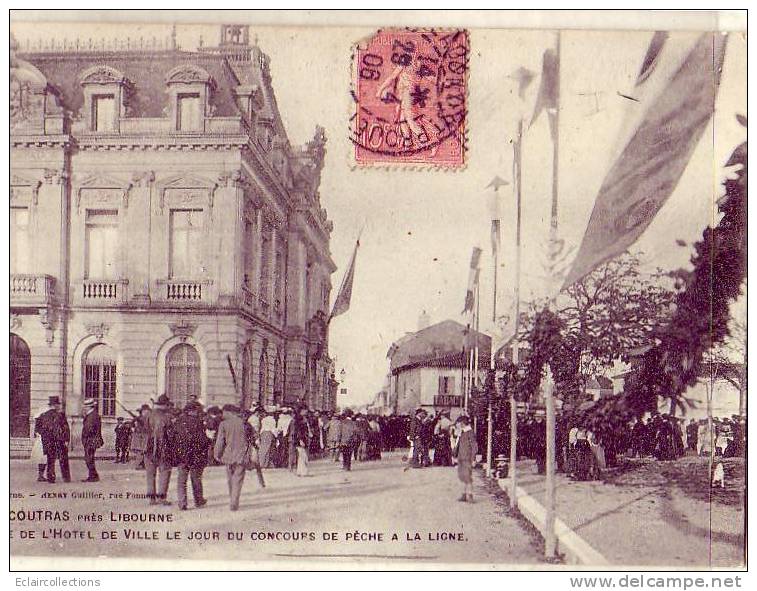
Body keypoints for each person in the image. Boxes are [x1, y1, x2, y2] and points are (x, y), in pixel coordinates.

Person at [173, 401, 210, 511]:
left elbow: (172, 438)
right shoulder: (198, 423)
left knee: (181, 480)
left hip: (182, 455)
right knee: (196, 479)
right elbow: (202, 439)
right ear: (192, 411)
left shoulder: (178, 422)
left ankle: (182, 503)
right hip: (195, 455)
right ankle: (198, 500)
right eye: (196, 411)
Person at [214, 404, 248, 511]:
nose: (222, 415)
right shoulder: (244, 423)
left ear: (229, 412)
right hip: (242, 455)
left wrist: (217, 454)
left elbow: (220, 441)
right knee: (238, 479)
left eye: (224, 412)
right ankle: (234, 501)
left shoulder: (223, 424)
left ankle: (232, 499)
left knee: (230, 479)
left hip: (228, 456)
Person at [144, 395, 175, 505]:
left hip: (149, 447)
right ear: (166, 405)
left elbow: (145, 430)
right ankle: (162, 498)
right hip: (164, 449)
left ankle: (152, 498)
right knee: (164, 472)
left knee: (150, 474)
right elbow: (171, 435)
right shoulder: (168, 417)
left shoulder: (148, 415)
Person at [34, 396, 71, 483]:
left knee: (50, 459)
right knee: (63, 459)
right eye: (58, 405)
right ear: (55, 405)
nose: (58, 406)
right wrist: (67, 440)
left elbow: (38, 429)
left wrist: (44, 437)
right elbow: (66, 428)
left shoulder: (43, 416)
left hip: (48, 441)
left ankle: (51, 477)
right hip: (60, 441)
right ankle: (66, 477)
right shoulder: (61, 415)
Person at [454, 415, 477, 502]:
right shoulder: (462, 432)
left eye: (458, 423)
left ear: (462, 423)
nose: (457, 425)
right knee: (462, 476)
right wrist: (455, 455)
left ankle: (470, 495)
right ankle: (464, 495)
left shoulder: (470, 432)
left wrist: (474, 459)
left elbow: (474, 446)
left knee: (468, 477)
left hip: (467, 458)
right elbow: (458, 445)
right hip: (461, 457)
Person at [80, 398, 104, 482]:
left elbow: (88, 429)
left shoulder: (92, 416)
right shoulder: (93, 415)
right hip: (91, 440)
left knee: (89, 458)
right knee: (89, 458)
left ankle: (93, 476)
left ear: (89, 407)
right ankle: (93, 475)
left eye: (85, 407)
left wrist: (85, 438)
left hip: (90, 440)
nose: (84, 408)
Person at [130, 404, 151, 469]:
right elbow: (132, 424)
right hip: (140, 436)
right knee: (141, 451)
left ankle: (142, 464)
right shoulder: (139, 418)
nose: (146, 412)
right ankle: (140, 464)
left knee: (144, 451)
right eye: (144, 411)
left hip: (146, 435)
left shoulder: (148, 418)